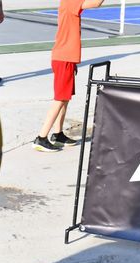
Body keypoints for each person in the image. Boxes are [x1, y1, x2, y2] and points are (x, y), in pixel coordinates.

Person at [34, 0, 104, 152]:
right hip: (63, 57)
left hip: (67, 58)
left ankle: (58, 134)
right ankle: (41, 137)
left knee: (65, 98)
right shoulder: (70, 1)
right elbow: (95, 3)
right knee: (59, 99)